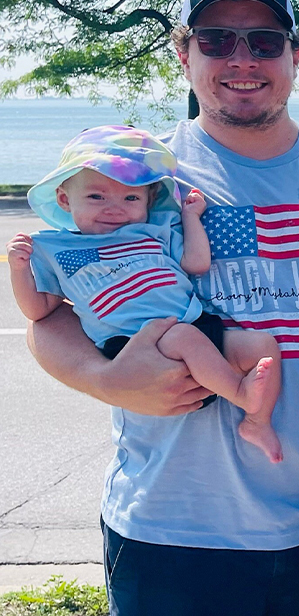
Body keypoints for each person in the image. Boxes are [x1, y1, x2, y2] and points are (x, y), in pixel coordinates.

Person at [27, 0, 299, 616]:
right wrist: (103, 377)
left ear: (297, 54)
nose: (241, 60)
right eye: (217, 40)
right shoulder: (135, 178)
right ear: (182, 53)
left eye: (264, 42)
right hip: (173, 526)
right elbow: (51, 313)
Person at [7, 126, 282, 462]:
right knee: (182, 336)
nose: (115, 208)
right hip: (133, 346)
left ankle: (257, 422)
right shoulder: (57, 248)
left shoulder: (153, 231)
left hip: (195, 327)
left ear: (149, 201)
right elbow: (39, 311)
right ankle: (239, 392)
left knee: (263, 347)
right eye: (96, 197)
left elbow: (196, 263)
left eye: (131, 198)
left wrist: (190, 217)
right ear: (64, 199)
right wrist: (19, 269)